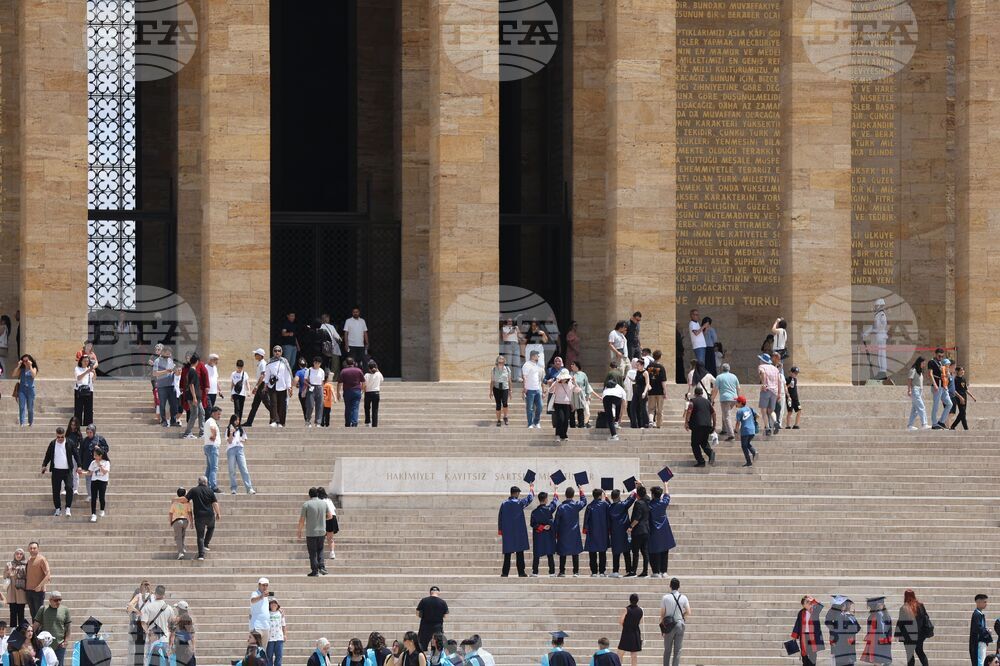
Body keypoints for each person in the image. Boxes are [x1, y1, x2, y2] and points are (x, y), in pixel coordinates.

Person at [498, 484, 535, 577]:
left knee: (507, 554)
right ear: (517, 493)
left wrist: (500, 530)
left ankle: (505, 572)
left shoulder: (504, 503)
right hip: (518, 531)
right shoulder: (519, 503)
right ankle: (521, 572)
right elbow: (530, 498)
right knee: (520, 553)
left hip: (508, 532)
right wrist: (531, 488)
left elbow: (500, 517)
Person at [298, 487, 333, 576]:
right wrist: (322, 519)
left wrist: (299, 530)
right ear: (317, 494)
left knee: (312, 552)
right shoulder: (324, 504)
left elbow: (302, 520)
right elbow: (330, 516)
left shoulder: (306, 504)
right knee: (320, 549)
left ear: (309, 495)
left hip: (311, 532)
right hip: (321, 531)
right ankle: (322, 567)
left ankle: (315, 571)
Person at [42, 427, 77, 517]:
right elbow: (48, 455)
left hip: (67, 470)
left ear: (64, 435)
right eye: (58, 437)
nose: (60, 439)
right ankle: (58, 509)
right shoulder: (53, 443)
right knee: (56, 490)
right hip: (56, 470)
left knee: (69, 488)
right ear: (56, 435)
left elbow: (76, 454)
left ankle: (68, 508)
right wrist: (44, 465)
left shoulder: (70, 442)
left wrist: (80, 466)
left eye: (62, 437)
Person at [554, 486, 587, 577]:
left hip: (563, 533)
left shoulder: (561, 507)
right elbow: (584, 501)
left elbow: (556, 522)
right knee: (575, 553)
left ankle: (562, 571)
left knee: (562, 553)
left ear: (565, 495)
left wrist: (555, 533)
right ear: (573, 495)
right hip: (574, 533)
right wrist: (581, 490)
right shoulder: (575, 505)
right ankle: (576, 572)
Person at [186, 476, 221, 561]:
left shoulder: (194, 490)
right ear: (206, 482)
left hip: (199, 516)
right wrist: (218, 513)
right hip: (210, 515)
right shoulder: (210, 491)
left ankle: (201, 555)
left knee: (200, 536)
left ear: (198, 482)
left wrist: (175, 500)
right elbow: (215, 503)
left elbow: (185, 499)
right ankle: (206, 544)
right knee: (211, 527)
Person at [32, 592, 70, 665]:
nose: (58, 602)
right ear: (50, 600)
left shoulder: (65, 610)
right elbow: (36, 625)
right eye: (56, 600)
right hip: (45, 645)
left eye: (60, 600)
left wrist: (66, 641)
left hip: (60, 644)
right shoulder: (43, 609)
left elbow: (68, 627)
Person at [895, 590, 930, 666]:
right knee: (920, 652)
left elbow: (900, 623)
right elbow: (926, 618)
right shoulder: (920, 606)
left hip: (908, 637)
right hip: (919, 635)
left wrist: (897, 634)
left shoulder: (904, 608)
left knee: (910, 655)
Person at [684, 387, 716, 467]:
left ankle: (701, 461)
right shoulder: (708, 402)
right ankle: (710, 453)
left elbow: (689, 411)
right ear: (702, 393)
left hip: (697, 425)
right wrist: (714, 426)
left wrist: (686, 422)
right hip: (707, 426)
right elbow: (714, 414)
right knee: (703, 442)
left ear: (695, 393)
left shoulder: (692, 401)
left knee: (694, 444)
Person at [660, 579, 689, 666]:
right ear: (679, 586)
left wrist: (662, 628)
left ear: (670, 586)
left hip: (669, 626)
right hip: (680, 624)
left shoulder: (665, 597)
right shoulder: (683, 597)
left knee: (667, 650)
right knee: (677, 650)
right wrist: (682, 616)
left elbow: (662, 614)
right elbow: (689, 612)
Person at [76, 447, 109, 522]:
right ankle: (93, 514)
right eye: (94, 455)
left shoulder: (106, 462)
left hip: (103, 481)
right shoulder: (93, 463)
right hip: (94, 481)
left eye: (96, 455)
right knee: (93, 498)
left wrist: (99, 465)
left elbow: (104, 472)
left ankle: (102, 510)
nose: (94, 457)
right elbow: (90, 473)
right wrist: (82, 473)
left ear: (100, 455)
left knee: (101, 497)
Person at [647, 485, 675, 578]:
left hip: (654, 530)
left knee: (654, 551)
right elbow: (667, 495)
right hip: (664, 530)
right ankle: (664, 571)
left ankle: (656, 571)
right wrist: (666, 484)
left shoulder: (650, 505)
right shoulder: (663, 503)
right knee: (664, 550)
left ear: (653, 495)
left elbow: (644, 498)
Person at [608, 489, 636, 578]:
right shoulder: (623, 505)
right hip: (624, 531)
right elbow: (630, 500)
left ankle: (615, 571)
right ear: (619, 497)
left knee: (616, 552)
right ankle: (629, 570)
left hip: (615, 532)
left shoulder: (609, 508)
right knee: (626, 551)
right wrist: (634, 490)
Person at [530, 491, 558, 576]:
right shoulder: (549, 509)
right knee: (550, 554)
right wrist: (555, 491)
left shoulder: (534, 512)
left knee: (537, 554)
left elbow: (532, 524)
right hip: (548, 535)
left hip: (539, 535)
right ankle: (552, 572)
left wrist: (541, 527)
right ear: (546, 500)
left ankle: (535, 572)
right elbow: (554, 503)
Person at [826, 596, 861, 666]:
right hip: (844, 648)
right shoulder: (849, 617)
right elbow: (857, 628)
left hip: (842, 648)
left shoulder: (843, 617)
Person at [226, 414, 256, 495]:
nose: (237, 421)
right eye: (236, 420)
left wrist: (240, 440)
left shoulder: (241, 429)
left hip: (239, 449)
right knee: (232, 470)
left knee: (244, 469)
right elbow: (229, 441)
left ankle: (249, 488)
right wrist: (231, 433)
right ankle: (233, 488)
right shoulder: (228, 429)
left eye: (238, 420)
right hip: (231, 450)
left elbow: (245, 439)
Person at [791, 596, 825, 666]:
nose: (809, 603)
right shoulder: (801, 612)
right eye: (807, 602)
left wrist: (813, 600)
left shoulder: (814, 610)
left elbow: (820, 606)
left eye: (809, 602)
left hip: (812, 636)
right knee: (804, 653)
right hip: (803, 636)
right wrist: (794, 636)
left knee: (813, 654)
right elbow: (797, 624)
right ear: (803, 605)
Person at [583, 488, 610, 577]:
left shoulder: (590, 506)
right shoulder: (605, 505)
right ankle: (602, 571)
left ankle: (594, 572)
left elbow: (586, 520)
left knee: (592, 552)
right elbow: (610, 511)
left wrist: (585, 529)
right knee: (602, 552)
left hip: (592, 532)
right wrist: (606, 497)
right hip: (603, 532)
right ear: (600, 495)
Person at [264, 346, 293, 428]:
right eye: (275, 351)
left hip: (282, 386)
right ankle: (274, 420)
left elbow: (287, 375)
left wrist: (289, 387)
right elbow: (267, 374)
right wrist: (266, 385)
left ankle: (281, 422)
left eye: (279, 351)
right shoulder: (269, 362)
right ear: (273, 352)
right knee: (273, 403)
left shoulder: (285, 362)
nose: (277, 352)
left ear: (281, 352)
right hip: (272, 386)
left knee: (282, 405)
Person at [78, 425, 109, 499]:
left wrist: (100, 448)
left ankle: (97, 495)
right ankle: (90, 495)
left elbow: (107, 448)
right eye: (87, 432)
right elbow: (81, 452)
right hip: (87, 463)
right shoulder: (84, 440)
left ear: (94, 432)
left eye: (90, 432)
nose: (89, 434)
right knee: (88, 480)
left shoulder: (100, 439)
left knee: (97, 479)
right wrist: (80, 464)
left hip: (98, 463)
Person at [182, 353, 208, 440]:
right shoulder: (192, 371)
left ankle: (202, 433)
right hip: (194, 397)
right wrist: (194, 397)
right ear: (197, 361)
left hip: (197, 397)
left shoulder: (191, 370)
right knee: (194, 414)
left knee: (202, 413)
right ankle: (187, 433)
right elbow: (191, 385)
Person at [152, 348, 180, 427]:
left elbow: (173, 371)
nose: (169, 355)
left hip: (171, 385)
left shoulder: (170, 360)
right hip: (162, 386)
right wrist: (166, 371)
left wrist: (177, 372)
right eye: (167, 354)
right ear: (163, 353)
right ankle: (163, 421)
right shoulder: (157, 361)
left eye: (170, 354)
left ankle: (173, 421)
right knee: (162, 404)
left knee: (174, 404)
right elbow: (154, 373)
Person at [757, 352, 784, 436]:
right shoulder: (775, 369)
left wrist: (764, 383)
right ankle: (776, 421)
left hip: (766, 390)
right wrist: (779, 393)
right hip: (775, 391)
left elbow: (763, 373)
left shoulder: (761, 366)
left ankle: (768, 428)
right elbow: (779, 381)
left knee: (764, 411)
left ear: (762, 360)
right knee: (771, 410)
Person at [548, 369, 578, 442]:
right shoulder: (557, 383)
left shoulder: (570, 384)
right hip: (558, 403)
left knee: (565, 420)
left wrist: (575, 382)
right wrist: (553, 383)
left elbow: (578, 390)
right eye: (563, 378)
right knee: (560, 419)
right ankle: (558, 435)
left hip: (567, 404)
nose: (564, 379)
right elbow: (550, 390)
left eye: (565, 378)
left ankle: (564, 435)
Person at [627, 485, 650, 578]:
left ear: (637, 495)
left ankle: (633, 570)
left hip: (638, 531)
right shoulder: (647, 501)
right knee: (645, 552)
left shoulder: (638, 503)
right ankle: (645, 571)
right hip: (646, 530)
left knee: (635, 552)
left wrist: (630, 527)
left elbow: (637, 518)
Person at [243, 349, 271, 427]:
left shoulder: (263, 364)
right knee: (255, 405)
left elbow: (263, 375)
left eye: (256, 354)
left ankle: (276, 418)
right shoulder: (260, 363)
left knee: (267, 403)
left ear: (260, 355)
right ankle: (249, 422)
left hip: (262, 386)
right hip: (260, 386)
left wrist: (256, 386)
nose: (255, 356)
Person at [861, 596, 892, 665]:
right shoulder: (881, 614)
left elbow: (885, 628)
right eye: (879, 604)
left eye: (882, 604)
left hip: (880, 639)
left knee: (878, 659)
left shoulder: (881, 614)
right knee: (879, 659)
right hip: (878, 639)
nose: (881, 605)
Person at [416, 588, 448, 652]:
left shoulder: (424, 600)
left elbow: (417, 613)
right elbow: (445, 615)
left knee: (422, 646)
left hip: (425, 626)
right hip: (437, 627)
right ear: (438, 592)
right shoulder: (443, 602)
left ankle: (422, 659)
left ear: (430, 592)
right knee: (437, 646)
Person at [862, 300, 888, 380]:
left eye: (877, 306)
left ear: (880, 306)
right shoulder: (877, 315)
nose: (875, 307)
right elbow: (873, 327)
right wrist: (865, 334)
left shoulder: (881, 315)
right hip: (879, 337)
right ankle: (881, 371)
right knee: (879, 355)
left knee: (882, 355)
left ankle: (883, 372)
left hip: (881, 336)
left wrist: (878, 330)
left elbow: (882, 325)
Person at [927, 348, 952, 429]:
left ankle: (941, 422)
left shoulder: (941, 363)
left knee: (949, 404)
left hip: (943, 385)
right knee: (936, 405)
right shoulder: (931, 362)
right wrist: (935, 384)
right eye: (939, 356)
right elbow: (930, 374)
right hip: (937, 385)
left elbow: (944, 373)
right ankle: (934, 423)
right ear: (936, 354)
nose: (940, 357)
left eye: (942, 356)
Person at [24, 543, 50, 623]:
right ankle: (35, 633)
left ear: (38, 549)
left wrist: (40, 586)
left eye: (34, 548)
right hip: (28, 591)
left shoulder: (42, 559)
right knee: (33, 614)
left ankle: (40, 633)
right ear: (28, 549)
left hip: (38, 591)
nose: (32, 550)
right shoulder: (28, 560)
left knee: (39, 615)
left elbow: (48, 574)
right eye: (31, 548)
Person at [713, 363, 740, 440]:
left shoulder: (719, 377)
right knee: (725, 413)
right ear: (729, 369)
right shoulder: (734, 376)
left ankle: (731, 434)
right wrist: (738, 398)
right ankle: (724, 429)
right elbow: (738, 387)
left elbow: (715, 389)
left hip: (725, 398)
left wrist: (712, 398)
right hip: (734, 398)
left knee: (727, 416)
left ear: (722, 369)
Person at [337, 357, 366, 427]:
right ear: (354, 363)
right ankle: (354, 422)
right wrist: (362, 389)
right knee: (355, 407)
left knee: (348, 407)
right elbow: (363, 382)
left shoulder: (343, 371)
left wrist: (338, 392)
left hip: (347, 391)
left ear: (346, 363)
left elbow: (339, 383)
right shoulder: (359, 370)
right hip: (357, 391)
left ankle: (347, 422)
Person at [644, 351, 668, 429]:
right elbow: (663, 381)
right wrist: (665, 391)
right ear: (660, 357)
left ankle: (651, 421)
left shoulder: (649, 367)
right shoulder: (661, 367)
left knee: (651, 408)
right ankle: (658, 424)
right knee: (660, 409)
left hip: (651, 391)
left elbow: (647, 378)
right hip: (660, 391)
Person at [5, 549, 28, 628]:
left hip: (21, 592)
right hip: (12, 592)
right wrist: (9, 571)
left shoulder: (26, 565)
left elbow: (28, 577)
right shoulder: (9, 564)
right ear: (14, 555)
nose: (19, 555)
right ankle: (13, 631)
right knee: (13, 612)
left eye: (21, 554)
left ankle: (21, 631)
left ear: (23, 555)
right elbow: (5, 576)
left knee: (21, 613)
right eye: (17, 554)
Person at [616, 594, 642, 666]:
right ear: (637, 600)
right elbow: (640, 622)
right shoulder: (640, 610)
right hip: (636, 633)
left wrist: (626, 626)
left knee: (620, 653)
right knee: (633, 654)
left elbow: (621, 621)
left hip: (626, 633)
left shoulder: (626, 609)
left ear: (630, 600)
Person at [522, 350, 545, 429]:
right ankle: (530, 424)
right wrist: (525, 387)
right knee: (530, 408)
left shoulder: (536, 365)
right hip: (530, 389)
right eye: (537, 355)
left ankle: (536, 422)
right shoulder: (527, 365)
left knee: (540, 406)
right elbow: (524, 376)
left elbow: (538, 378)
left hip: (537, 389)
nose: (538, 357)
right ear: (533, 356)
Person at [13, 355, 38, 427]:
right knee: (21, 407)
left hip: (30, 390)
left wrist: (30, 366)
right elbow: (14, 374)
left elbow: (33, 375)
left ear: (30, 360)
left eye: (26, 360)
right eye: (23, 361)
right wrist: (18, 366)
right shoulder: (22, 369)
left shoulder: (33, 368)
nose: (25, 362)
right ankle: (22, 423)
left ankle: (30, 422)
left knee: (30, 407)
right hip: (22, 390)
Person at [569, 361, 595, 428]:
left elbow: (586, 385)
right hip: (572, 395)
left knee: (580, 411)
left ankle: (581, 425)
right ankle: (572, 425)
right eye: (571, 364)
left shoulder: (583, 374)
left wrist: (587, 395)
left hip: (581, 395)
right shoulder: (570, 374)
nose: (571, 365)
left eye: (573, 364)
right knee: (571, 411)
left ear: (577, 365)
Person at [202, 405, 222, 492]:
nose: (219, 416)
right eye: (218, 414)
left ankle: (204, 485)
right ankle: (213, 486)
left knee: (209, 467)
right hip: (212, 446)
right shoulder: (211, 421)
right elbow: (213, 429)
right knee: (214, 467)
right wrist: (214, 435)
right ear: (213, 413)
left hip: (208, 446)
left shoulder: (209, 421)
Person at [169, 488, 193, 560]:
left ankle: (180, 552)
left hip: (177, 521)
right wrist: (192, 522)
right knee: (182, 535)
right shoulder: (187, 503)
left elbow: (170, 513)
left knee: (178, 537)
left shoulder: (175, 503)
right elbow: (190, 513)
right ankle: (182, 547)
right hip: (185, 521)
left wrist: (170, 522)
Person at [734, 396, 758, 467]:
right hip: (752, 430)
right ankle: (753, 453)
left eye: (737, 402)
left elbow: (738, 423)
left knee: (744, 446)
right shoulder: (750, 409)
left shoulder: (739, 411)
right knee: (747, 444)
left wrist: (736, 431)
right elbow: (757, 415)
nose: (736, 403)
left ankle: (750, 460)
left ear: (740, 403)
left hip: (745, 430)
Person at [951, 365, 978, 430]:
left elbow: (965, 389)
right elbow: (954, 390)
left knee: (962, 413)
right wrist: (960, 398)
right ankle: (965, 428)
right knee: (963, 412)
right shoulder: (955, 379)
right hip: (958, 397)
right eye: (961, 370)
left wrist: (972, 396)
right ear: (957, 371)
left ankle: (954, 426)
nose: (963, 371)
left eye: (963, 370)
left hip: (964, 397)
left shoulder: (963, 379)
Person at [170, 601, 196, 666]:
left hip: (181, 647)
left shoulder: (178, 619)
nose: (177, 609)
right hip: (185, 647)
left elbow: (173, 634)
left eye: (177, 608)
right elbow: (191, 635)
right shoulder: (186, 618)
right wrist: (193, 647)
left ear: (179, 609)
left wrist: (170, 646)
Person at [73, 356, 96, 428]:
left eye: (87, 361)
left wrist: (94, 373)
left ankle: (88, 425)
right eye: (84, 361)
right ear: (81, 361)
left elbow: (93, 380)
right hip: (79, 390)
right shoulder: (77, 368)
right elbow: (78, 378)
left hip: (89, 390)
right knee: (78, 408)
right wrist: (87, 371)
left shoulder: (90, 369)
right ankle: (77, 425)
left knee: (89, 409)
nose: (86, 363)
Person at [305, 357, 328, 427]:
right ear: (313, 363)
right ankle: (308, 420)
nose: (317, 364)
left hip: (319, 387)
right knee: (310, 405)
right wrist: (309, 385)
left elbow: (322, 381)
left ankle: (318, 422)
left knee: (320, 405)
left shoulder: (321, 371)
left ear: (320, 364)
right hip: (311, 387)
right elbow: (305, 380)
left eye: (318, 363)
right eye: (315, 363)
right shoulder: (309, 370)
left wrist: (322, 388)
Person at [318, 487, 339, 561]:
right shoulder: (329, 500)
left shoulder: (320, 501)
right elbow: (334, 509)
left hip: (326, 518)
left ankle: (319, 553)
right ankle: (332, 553)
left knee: (321, 537)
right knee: (330, 538)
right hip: (333, 518)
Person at [490, 356, 512, 427]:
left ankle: (505, 417)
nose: (501, 360)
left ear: (504, 361)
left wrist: (510, 391)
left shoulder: (507, 369)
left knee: (505, 403)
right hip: (496, 388)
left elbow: (509, 381)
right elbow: (492, 381)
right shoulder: (493, 369)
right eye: (499, 359)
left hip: (505, 388)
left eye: (502, 359)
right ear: (497, 361)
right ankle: (498, 420)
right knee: (498, 404)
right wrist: (490, 392)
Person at [248, 578, 271, 646]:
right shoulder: (255, 593)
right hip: (256, 626)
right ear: (259, 585)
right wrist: (261, 596)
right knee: (255, 648)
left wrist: (278, 609)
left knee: (263, 650)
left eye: (266, 585)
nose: (265, 587)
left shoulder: (266, 596)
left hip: (266, 626)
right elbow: (253, 600)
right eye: (263, 585)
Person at [628, 359, 650, 430]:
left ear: (642, 365)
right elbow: (636, 380)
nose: (637, 366)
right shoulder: (637, 371)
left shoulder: (645, 372)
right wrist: (631, 379)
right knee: (632, 407)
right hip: (636, 391)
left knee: (643, 408)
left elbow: (647, 384)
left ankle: (646, 424)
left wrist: (644, 392)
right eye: (636, 365)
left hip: (642, 391)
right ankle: (634, 424)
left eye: (638, 365)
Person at [971, 594, 991, 666]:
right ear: (978, 602)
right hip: (978, 643)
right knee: (980, 662)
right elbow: (978, 628)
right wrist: (987, 632)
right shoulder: (976, 614)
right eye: (984, 602)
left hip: (981, 642)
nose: (986, 604)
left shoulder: (979, 614)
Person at [364, 360, 384, 427]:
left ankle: (367, 422)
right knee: (375, 409)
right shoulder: (378, 374)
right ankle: (374, 424)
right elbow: (382, 380)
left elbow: (364, 384)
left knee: (367, 408)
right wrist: (377, 369)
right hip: (376, 393)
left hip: (368, 393)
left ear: (369, 368)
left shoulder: (366, 375)